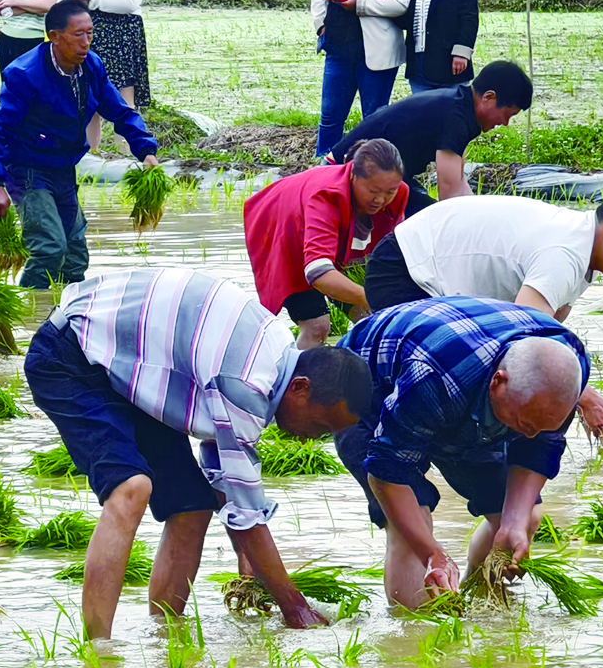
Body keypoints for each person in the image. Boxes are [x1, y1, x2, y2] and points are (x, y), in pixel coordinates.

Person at [23, 265, 375, 642]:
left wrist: (249, 552)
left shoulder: (276, 350)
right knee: (131, 487)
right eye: (318, 427)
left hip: (131, 366)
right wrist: (295, 607)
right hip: (71, 353)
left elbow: (226, 477)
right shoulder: (247, 385)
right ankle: (98, 652)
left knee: (192, 506)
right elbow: (246, 511)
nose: (309, 440)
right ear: (300, 389)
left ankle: (165, 638)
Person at [335, 297, 589, 609]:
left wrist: (513, 520)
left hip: (465, 400)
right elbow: (386, 476)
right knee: (411, 525)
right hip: (364, 392)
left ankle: (475, 603)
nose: (529, 434)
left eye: (542, 425)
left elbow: (540, 444)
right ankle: (414, 642)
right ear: (499, 381)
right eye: (525, 423)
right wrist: (433, 554)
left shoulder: (568, 365)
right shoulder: (435, 379)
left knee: (525, 519)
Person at [358, 189, 603, 432]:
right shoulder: (565, 253)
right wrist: (586, 398)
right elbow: (528, 337)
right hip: (408, 270)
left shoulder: (580, 243)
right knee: (440, 391)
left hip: (422, 267)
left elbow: (548, 325)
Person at [0, 0, 159, 288]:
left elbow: (119, 110)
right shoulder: (25, 74)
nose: (86, 42)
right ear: (54, 37)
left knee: (75, 256)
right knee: (49, 249)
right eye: (79, 35)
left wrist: (146, 151)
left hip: (63, 166)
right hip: (27, 168)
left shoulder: (91, 66)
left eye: (90, 33)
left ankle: (65, 319)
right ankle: (31, 316)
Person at [240, 139, 410, 348]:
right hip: (285, 225)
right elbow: (317, 273)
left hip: (334, 231)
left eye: (389, 192)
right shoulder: (326, 196)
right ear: (353, 175)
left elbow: (390, 255)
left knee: (370, 318)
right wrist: (372, 298)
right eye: (373, 191)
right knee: (316, 325)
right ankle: (299, 378)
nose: (381, 200)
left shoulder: (400, 192)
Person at [326, 62, 532, 208]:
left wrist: (478, 214)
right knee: (427, 220)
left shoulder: (460, 106)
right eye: (507, 114)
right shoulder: (456, 117)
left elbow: (459, 182)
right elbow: (449, 192)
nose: (504, 123)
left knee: (427, 214)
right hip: (343, 174)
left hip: (379, 177)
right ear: (489, 97)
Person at [309, 0, 411, 156]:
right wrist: (321, 24)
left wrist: (361, 4)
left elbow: (401, 2)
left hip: (376, 53)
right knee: (330, 115)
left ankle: (371, 171)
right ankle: (324, 171)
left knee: (373, 120)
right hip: (338, 47)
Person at [61, 0, 148, 149]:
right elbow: (62, 0)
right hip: (86, 40)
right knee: (87, 97)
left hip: (120, 40)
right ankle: (91, 153)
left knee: (122, 98)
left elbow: (130, 2)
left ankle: (128, 152)